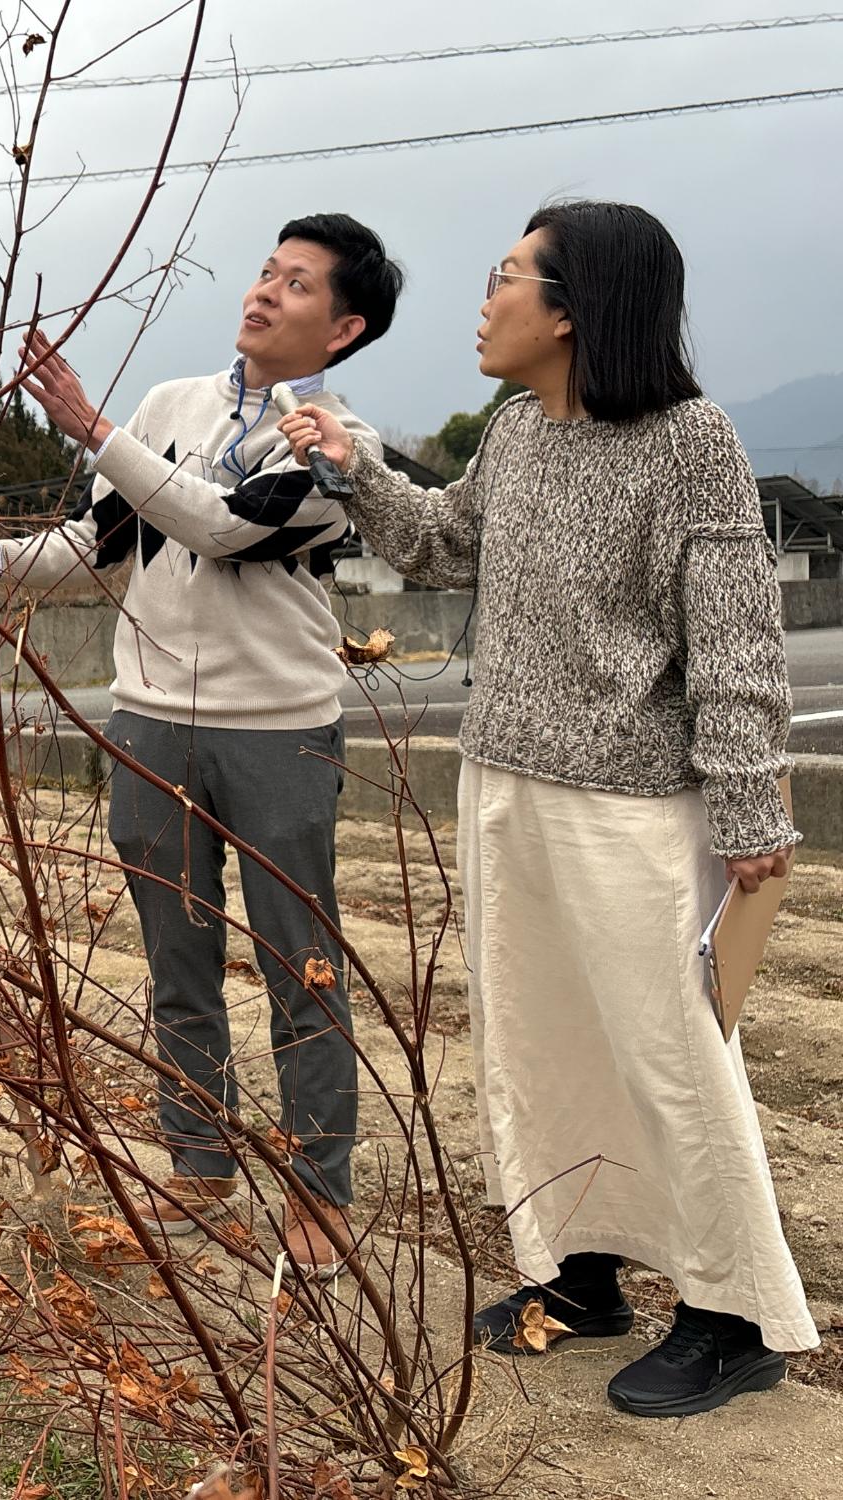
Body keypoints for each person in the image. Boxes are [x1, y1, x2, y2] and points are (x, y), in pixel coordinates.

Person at [281, 199, 814, 1416]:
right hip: (504, 785)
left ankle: (734, 1316)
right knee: (533, 1042)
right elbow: (440, 542)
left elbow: (735, 646)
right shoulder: (516, 434)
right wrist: (355, 469)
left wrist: (746, 816)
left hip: (631, 807)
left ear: (571, 311)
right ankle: (576, 1277)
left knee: (669, 1055)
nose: (484, 299)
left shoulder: (690, 440)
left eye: (506, 277)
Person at [0, 215, 405, 1277]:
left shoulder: (336, 444)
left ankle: (319, 1189)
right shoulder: (167, 408)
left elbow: (225, 525)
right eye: (263, 269)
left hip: (278, 730)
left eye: (293, 284)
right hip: (146, 719)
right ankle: (196, 1159)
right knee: (174, 958)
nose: (262, 293)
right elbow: (106, 542)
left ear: (342, 328)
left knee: (303, 964)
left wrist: (91, 429)